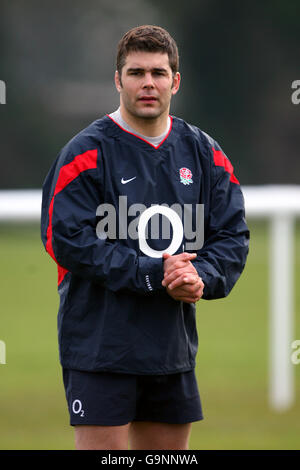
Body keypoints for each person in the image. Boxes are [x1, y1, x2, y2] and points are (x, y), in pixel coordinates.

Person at [41, 25, 249, 450]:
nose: (148, 83)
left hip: (171, 353)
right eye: (136, 73)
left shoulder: (205, 153)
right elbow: (64, 238)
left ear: (176, 80)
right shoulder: (85, 153)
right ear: (118, 80)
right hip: (100, 350)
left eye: (158, 72)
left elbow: (232, 235)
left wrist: (201, 277)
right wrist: (152, 273)